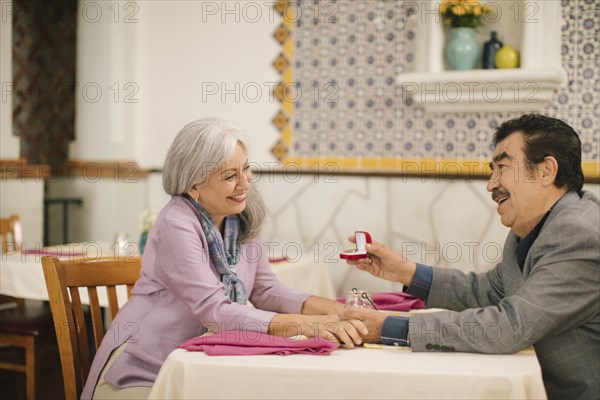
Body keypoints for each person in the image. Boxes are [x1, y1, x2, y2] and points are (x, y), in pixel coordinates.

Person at [82, 117, 366, 399]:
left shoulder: (242, 214)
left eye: (246, 170)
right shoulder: (176, 223)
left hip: (203, 363)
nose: (244, 184)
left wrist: (335, 311)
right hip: (147, 367)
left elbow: (265, 289)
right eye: (230, 176)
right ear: (193, 186)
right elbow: (214, 311)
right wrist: (307, 325)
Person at [341, 114, 599, 400]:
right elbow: (490, 290)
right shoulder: (534, 225)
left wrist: (387, 328)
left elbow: (510, 326)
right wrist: (404, 272)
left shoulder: (578, 233)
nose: (491, 184)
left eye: (502, 167)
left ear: (545, 171)